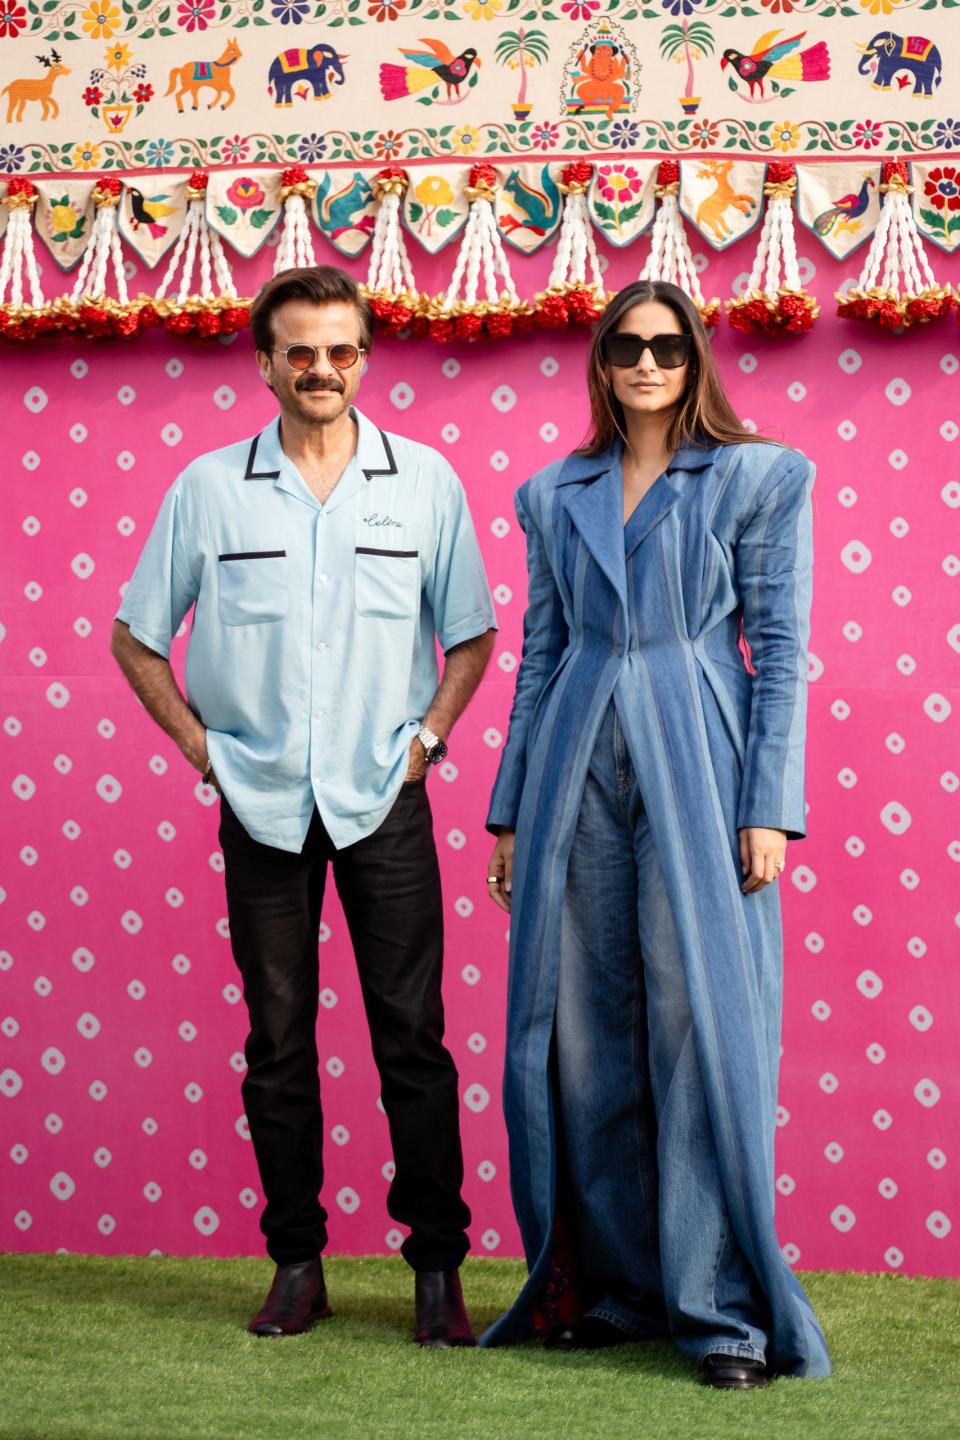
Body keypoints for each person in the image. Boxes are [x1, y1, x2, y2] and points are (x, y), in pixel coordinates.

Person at [111, 264, 497, 1346]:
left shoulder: (423, 482)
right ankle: (296, 1264)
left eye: (341, 350)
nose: (321, 368)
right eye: (300, 351)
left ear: (365, 358)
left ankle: (436, 1272)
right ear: (266, 361)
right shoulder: (207, 489)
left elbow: (468, 634)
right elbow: (135, 633)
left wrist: (426, 743)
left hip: (386, 799)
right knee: (277, 1041)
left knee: (412, 1040)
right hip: (263, 802)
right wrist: (202, 749)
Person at [482, 279, 830, 1387]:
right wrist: (506, 810)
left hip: (700, 751)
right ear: (600, 360)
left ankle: (719, 1311)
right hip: (574, 764)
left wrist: (770, 802)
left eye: (668, 348)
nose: (646, 364)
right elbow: (538, 657)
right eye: (627, 346)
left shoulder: (761, 476)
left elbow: (779, 645)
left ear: (696, 361)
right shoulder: (551, 492)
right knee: (582, 1035)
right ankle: (622, 1293)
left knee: (698, 1029)